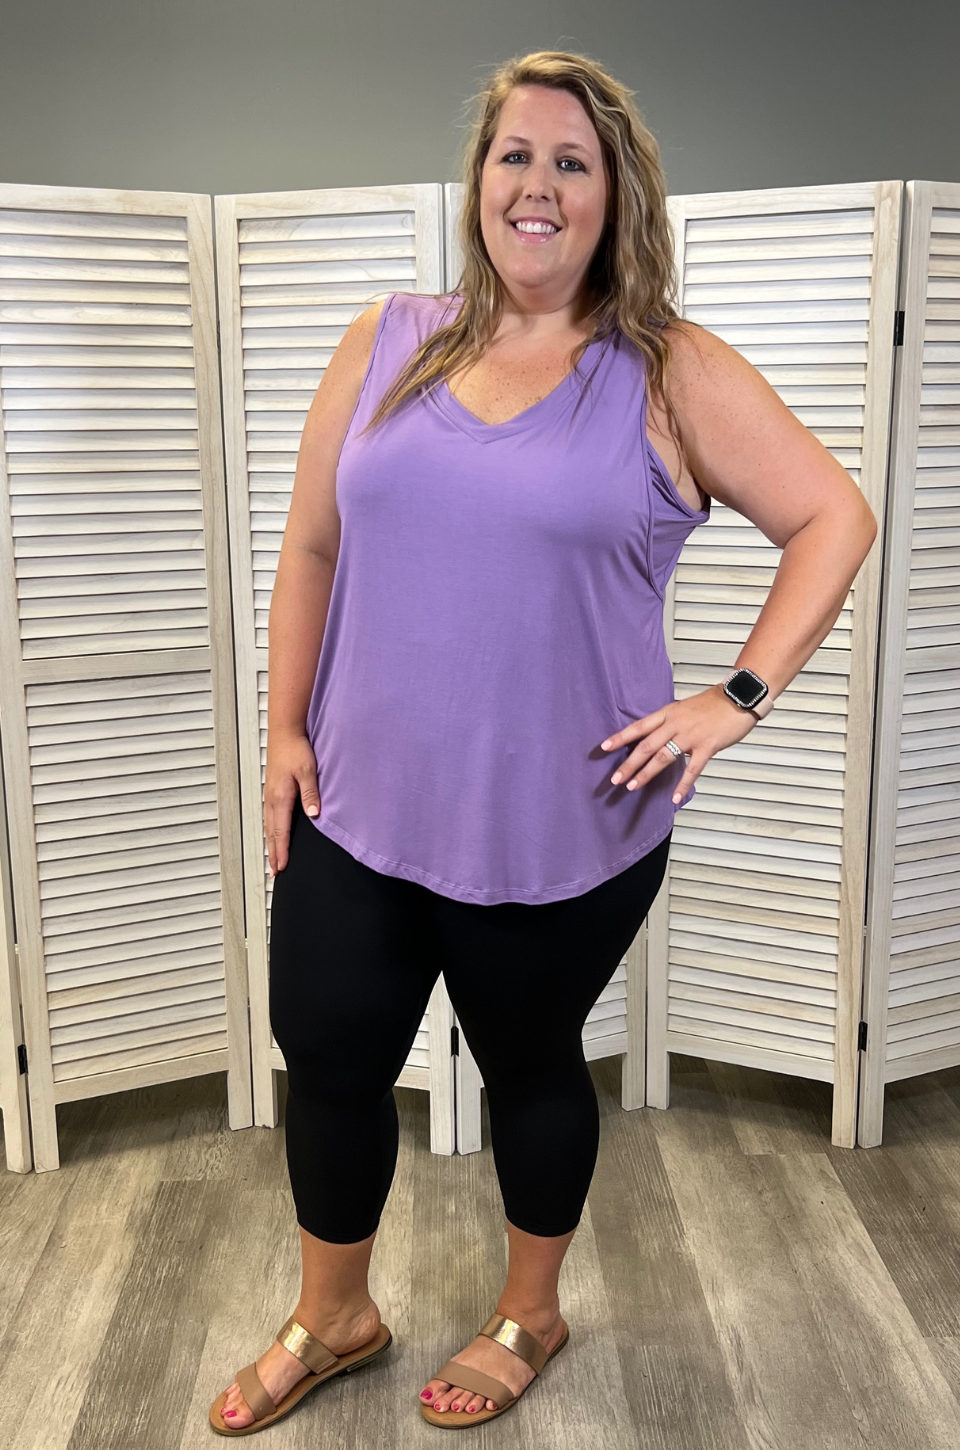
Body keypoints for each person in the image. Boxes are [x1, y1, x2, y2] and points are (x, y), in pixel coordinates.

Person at [208, 49, 877, 1436]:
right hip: (357, 797)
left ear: (615, 196)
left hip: (565, 815)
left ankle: (531, 1311)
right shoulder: (388, 339)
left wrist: (735, 696)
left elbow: (833, 516)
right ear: (479, 180)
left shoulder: (669, 369)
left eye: (574, 162)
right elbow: (313, 546)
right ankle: (333, 1313)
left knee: (528, 1063)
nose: (539, 184)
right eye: (516, 154)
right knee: (326, 1050)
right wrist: (280, 729)